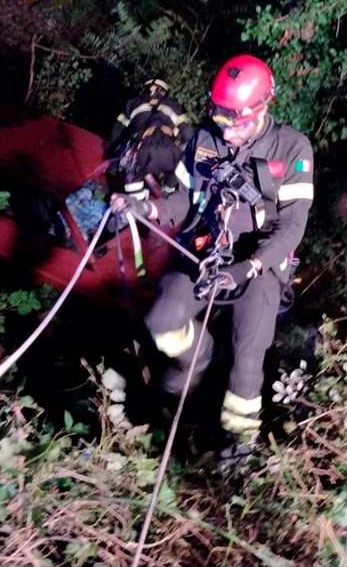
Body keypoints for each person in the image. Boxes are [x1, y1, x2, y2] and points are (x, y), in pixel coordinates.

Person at [111, 55, 315, 466]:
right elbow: (184, 199)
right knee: (161, 320)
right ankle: (197, 358)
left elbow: (292, 229)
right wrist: (147, 210)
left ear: (262, 109)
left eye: (235, 122)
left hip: (259, 264)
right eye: (219, 118)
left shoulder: (293, 149)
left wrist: (249, 267)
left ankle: (237, 453)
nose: (226, 130)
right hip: (206, 250)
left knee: (247, 355)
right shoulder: (204, 138)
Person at [106, 78, 194, 200]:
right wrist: (187, 151)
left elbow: (115, 131)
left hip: (142, 151)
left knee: (132, 174)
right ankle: (169, 195)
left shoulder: (132, 104)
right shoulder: (172, 105)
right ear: (164, 92)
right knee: (176, 169)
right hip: (170, 151)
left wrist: (114, 148)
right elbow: (188, 132)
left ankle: (138, 205)